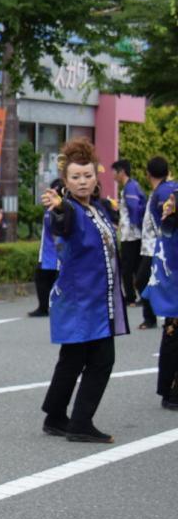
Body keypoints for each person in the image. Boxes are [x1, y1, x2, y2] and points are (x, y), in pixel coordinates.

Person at [39, 139, 128, 443]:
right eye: (75, 177)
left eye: (87, 175)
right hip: (80, 301)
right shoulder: (71, 210)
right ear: (65, 181)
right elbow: (62, 222)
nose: (82, 182)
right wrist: (60, 206)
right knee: (102, 360)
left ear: (95, 177)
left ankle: (54, 415)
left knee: (73, 359)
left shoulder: (97, 208)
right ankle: (80, 423)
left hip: (93, 301)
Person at [142, 158, 178, 409]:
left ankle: (169, 389)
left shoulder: (167, 191)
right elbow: (167, 227)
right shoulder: (171, 194)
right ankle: (171, 391)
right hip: (173, 266)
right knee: (174, 329)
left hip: (168, 262)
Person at [135, 157, 173, 330]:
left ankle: (152, 316)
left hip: (159, 247)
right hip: (157, 246)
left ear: (148, 173)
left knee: (143, 279)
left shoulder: (162, 192)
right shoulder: (164, 189)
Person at [28, 179, 65, 318]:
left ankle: (55, 307)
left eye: (54, 191)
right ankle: (43, 307)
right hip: (46, 252)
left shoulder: (61, 210)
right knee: (41, 278)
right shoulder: (50, 209)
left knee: (56, 281)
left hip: (57, 253)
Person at [112, 159, 146, 306]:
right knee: (137, 267)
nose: (113, 175)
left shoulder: (129, 188)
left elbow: (134, 209)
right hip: (135, 234)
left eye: (115, 172)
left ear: (122, 172)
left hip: (131, 235)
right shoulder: (133, 186)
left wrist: (135, 226)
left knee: (127, 268)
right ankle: (143, 297)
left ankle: (131, 297)